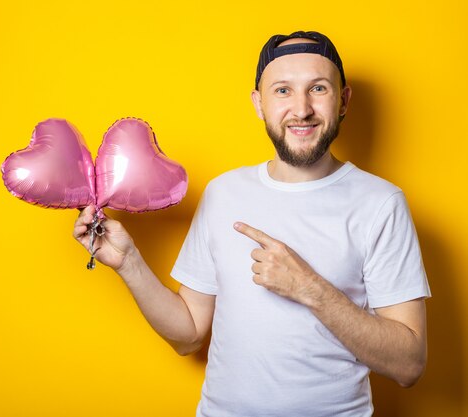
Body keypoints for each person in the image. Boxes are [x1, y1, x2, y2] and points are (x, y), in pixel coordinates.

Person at [73, 30, 430, 417]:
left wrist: (309, 288)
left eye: (318, 89)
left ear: (343, 101)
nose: (301, 108)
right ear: (259, 104)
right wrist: (129, 263)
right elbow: (188, 334)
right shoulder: (224, 193)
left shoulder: (381, 204)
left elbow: (409, 366)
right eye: (282, 91)